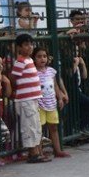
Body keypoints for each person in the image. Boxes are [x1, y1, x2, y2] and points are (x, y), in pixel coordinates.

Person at [9, 34, 48, 163]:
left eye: (31, 44)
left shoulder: (29, 60)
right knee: (29, 126)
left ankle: (36, 152)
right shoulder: (20, 61)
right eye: (26, 45)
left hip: (32, 98)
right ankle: (33, 153)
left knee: (35, 125)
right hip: (25, 99)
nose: (30, 47)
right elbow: (13, 78)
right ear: (19, 47)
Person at [32, 47, 70, 159]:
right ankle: (39, 152)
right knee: (39, 129)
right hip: (39, 104)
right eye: (39, 56)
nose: (42, 59)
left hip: (51, 103)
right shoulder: (34, 72)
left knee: (53, 127)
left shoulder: (51, 71)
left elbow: (55, 86)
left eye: (44, 56)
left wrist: (59, 98)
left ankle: (57, 150)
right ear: (34, 58)